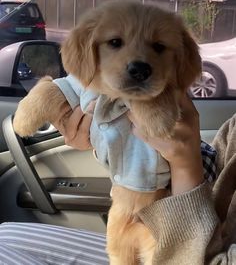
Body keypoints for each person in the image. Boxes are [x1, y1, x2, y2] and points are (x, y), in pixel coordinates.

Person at [0, 94, 236, 264]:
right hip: (187, 241)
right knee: (5, 236)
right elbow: (214, 179)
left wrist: (185, 165)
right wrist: (116, 143)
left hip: (188, 254)